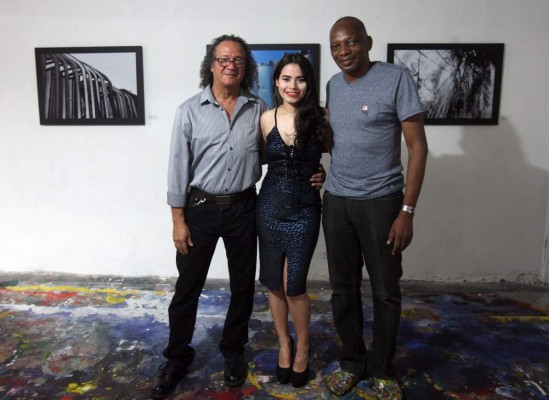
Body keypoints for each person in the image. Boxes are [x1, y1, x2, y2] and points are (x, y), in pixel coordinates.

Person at [151, 35, 325, 400]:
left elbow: (278, 158)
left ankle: (234, 352)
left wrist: (315, 173)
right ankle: (177, 358)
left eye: (238, 60)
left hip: (245, 207)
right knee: (188, 288)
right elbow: (177, 169)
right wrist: (177, 220)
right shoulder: (189, 110)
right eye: (224, 59)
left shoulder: (258, 109)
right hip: (199, 208)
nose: (231, 65)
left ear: (245, 67)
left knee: (242, 287)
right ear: (211, 64)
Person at [322, 17, 428, 399]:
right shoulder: (333, 86)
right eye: (336, 46)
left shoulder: (396, 79)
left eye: (350, 43)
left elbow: (418, 148)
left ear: (367, 42)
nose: (343, 52)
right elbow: (340, 142)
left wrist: (407, 210)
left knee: (385, 291)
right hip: (336, 203)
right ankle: (352, 361)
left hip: (382, 203)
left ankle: (383, 370)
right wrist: (323, 175)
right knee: (342, 290)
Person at [256, 53, 330, 388]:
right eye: (286, 78)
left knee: (295, 286)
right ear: (276, 82)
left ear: (308, 84)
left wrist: (324, 173)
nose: (293, 85)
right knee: (273, 282)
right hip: (269, 208)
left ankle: (304, 346)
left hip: (304, 211)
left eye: (300, 79)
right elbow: (258, 163)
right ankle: (284, 344)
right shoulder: (265, 119)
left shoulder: (321, 118)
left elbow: (341, 157)